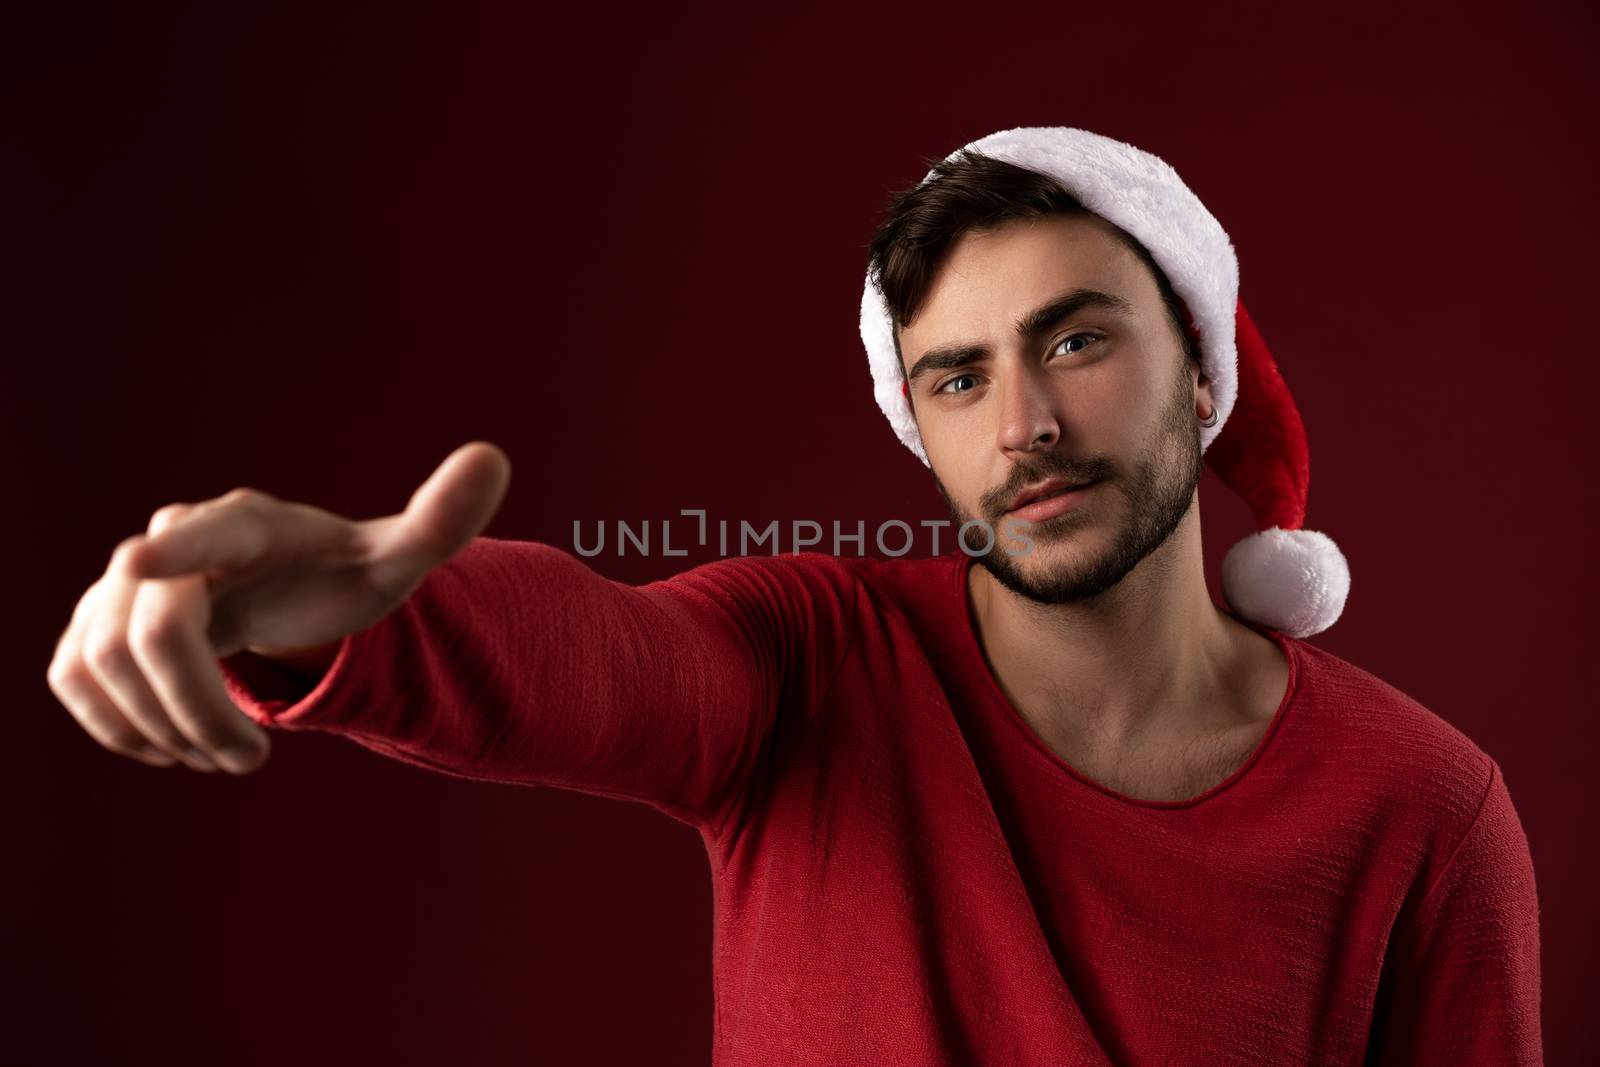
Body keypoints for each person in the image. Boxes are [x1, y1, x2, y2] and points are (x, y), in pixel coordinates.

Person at [46, 127, 1541, 1064]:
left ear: (1203, 373)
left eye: (1077, 342)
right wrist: (334, 613)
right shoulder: (817, 659)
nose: (1021, 420)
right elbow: (603, 660)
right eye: (959, 375)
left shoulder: (1422, 808)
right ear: (923, 426)